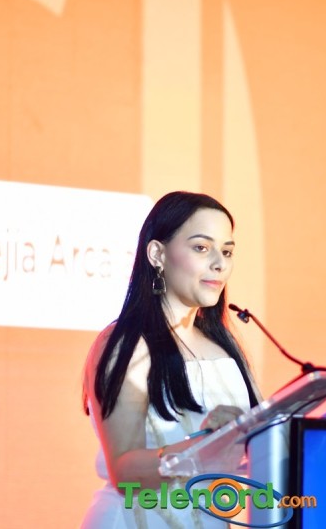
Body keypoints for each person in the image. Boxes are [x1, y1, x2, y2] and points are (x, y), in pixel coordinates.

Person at [81, 191, 261, 528]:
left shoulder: (226, 348)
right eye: (201, 248)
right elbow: (125, 471)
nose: (219, 263)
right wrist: (205, 445)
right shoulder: (127, 344)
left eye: (226, 251)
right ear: (157, 254)